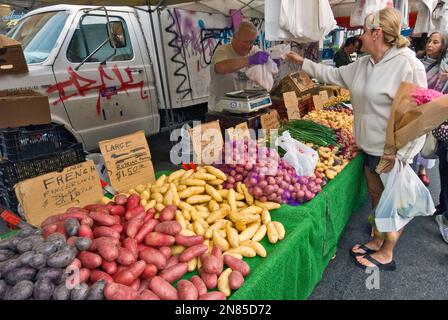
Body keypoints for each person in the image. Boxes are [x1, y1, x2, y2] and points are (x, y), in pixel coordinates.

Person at [285, 8, 427, 271]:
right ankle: (376, 239)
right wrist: (300, 61)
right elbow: (334, 75)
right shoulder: (364, 63)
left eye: (364, 30)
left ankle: (387, 252)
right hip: (369, 146)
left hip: (391, 151)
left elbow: (419, 116)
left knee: (392, 202)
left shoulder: (407, 65)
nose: (359, 36)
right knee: (376, 195)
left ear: (377, 33)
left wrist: (403, 153)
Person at [207, 21, 271, 112]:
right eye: (245, 41)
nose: (248, 46)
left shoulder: (254, 50)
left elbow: (267, 72)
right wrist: (249, 60)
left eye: (251, 42)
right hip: (221, 110)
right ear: (234, 38)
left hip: (245, 109)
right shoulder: (223, 51)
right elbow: (220, 68)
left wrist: (272, 63)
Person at [415, 32, 448, 186]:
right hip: (415, 105)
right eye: (429, 41)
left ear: (443, 46)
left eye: (435, 42)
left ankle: (422, 169)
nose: (430, 45)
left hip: (434, 109)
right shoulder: (417, 62)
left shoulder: (445, 68)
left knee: (427, 141)